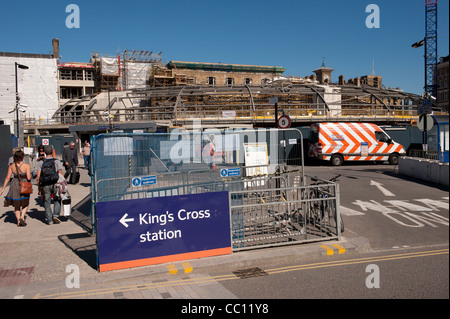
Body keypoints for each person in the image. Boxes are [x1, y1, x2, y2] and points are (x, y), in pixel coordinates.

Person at [0, 150, 32, 227]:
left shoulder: (11, 166)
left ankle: (18, 221)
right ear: (22, 157)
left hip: (14, 184)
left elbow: (7, 177)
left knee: (16, 205)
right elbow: (28, 177)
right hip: (24, 184)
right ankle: (22, 217)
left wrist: (3, 189)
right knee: (25, 202)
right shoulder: (27, 165)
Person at [36, 145, 64, 225]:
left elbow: (38, 177)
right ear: (52, 152)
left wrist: (39, 187)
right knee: (57, 199)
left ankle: (49, 220)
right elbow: (60, 173)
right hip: (55, 183)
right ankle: (55, 215)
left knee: (46, 201)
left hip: (45, 184)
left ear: (44, 152)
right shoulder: (57, 161)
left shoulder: (40, 162)